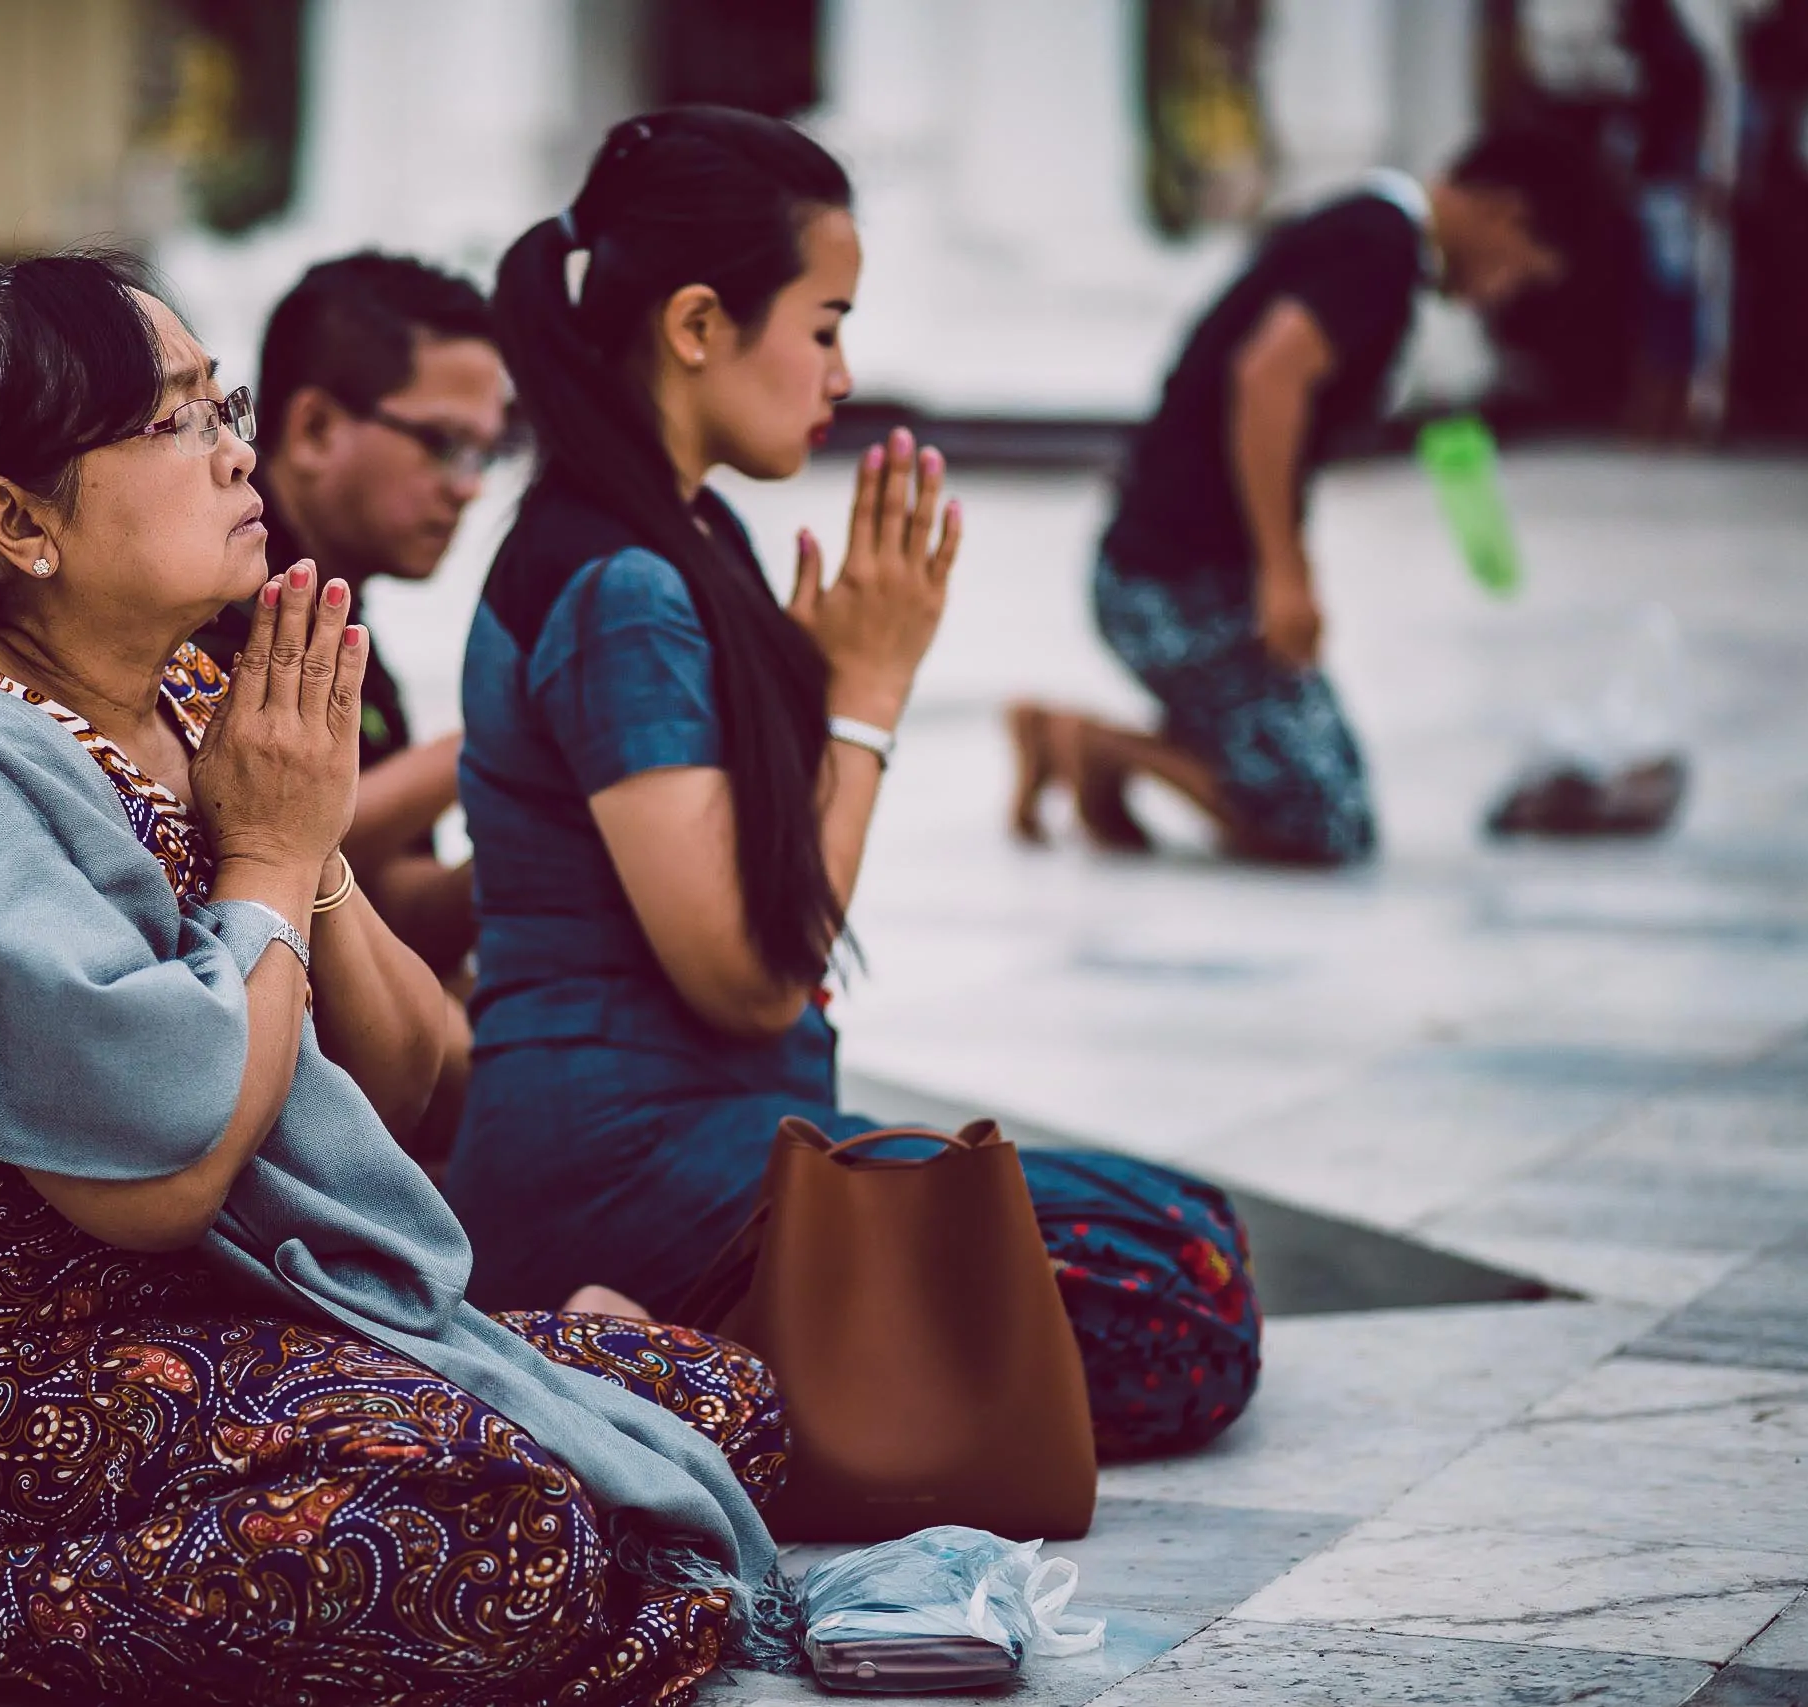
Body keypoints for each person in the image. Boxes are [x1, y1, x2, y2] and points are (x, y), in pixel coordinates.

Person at [0, 253, 791, 1707]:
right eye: (179, 419)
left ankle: (472, 1462)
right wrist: (262, 857)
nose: (237, 450)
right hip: (2, 1382)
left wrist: (304, 847)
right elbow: (158, 1183)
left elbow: (415, 1073)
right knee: (506, 1525)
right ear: (19, 521)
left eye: (225, 403)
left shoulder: (201, 700)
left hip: (222, 1326)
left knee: (719, 1406)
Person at [443, 108, 1261, 1464]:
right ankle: (623, 1352)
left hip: (719, 1144)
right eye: (822, 324)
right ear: (699, 324)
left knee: (1187, 1228)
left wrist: (824, 699)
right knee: (1175, 1291)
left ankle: (672, 1360)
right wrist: (866, 698)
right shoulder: (621, 585)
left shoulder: (677, 534)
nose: (841, 369)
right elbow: (747, 978)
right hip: (622, 1170)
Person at [1006, 127, 1609, 864]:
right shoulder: (1376, 249)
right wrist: (1284, 571)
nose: (1502, 295)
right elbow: (1269, 376)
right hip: (1176, 587)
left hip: (1162, 570)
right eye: (1522, 272)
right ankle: (1095, 746)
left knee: (1326, 793)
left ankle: (1086, 743)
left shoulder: (1370, 234)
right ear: (1505, 215)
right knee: (1323, 822)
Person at [200, 252, 508, 1166]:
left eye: (488, 450)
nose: (470, 484)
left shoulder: (351, 629)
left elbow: (397, 902)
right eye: (444, 443)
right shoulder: (222, 608)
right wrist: (492, 742)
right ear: (315, 427)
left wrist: (546, 847)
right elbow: (255, 830)